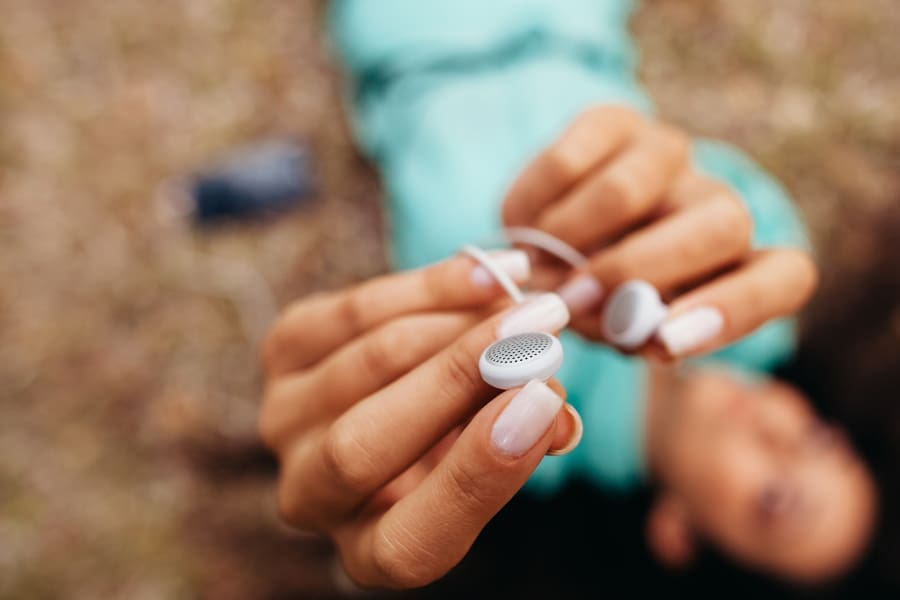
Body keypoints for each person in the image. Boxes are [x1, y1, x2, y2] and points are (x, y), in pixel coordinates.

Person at [257, 0, 878, 590]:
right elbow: (709, 184)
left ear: (677, 532)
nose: (781, 434)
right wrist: (677, 194)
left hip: (414, 34)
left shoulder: (518, 449)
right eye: (819, 439)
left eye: (776, 497)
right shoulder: (754, 309)